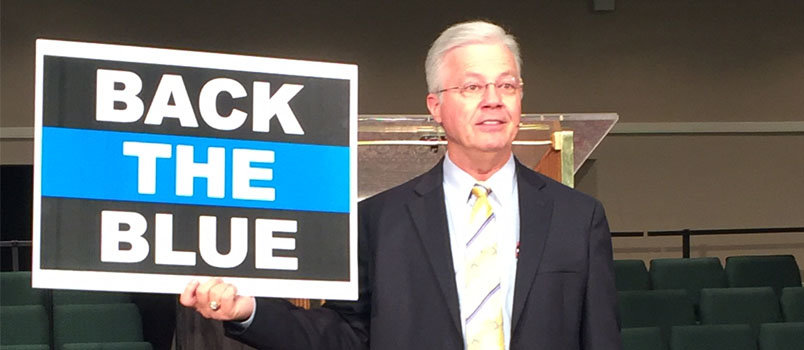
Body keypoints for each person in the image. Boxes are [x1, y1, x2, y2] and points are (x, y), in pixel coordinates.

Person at [180, 20, 621, 350]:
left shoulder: (577, 218)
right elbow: (345, 336)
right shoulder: (380, 220)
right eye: (472, 86)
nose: (493, 99)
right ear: (436, 106)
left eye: (507, 84)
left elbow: (600, 338)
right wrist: (249, 311)